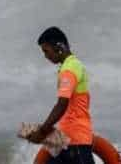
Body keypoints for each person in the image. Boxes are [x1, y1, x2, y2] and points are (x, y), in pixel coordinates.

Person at [27, 26, 95, 164]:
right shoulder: (72, 66)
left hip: (74, 141)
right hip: (68, 139)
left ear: (59, 46)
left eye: (46, 51)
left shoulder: (69, 69)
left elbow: (61, 104)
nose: (45, 56)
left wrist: (42, 132)